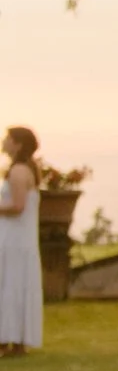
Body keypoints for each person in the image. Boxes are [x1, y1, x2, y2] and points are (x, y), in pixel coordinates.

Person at [0, 126, 42, 354]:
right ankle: (13, 340)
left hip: (13, 240)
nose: (3, 142)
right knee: (13, 287)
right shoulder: (27, 170)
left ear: (17, 144)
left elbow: (17, 206)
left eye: (7, 139)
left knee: (10, 287)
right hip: (18, 239)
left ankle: (10, 339)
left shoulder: (18, 171)